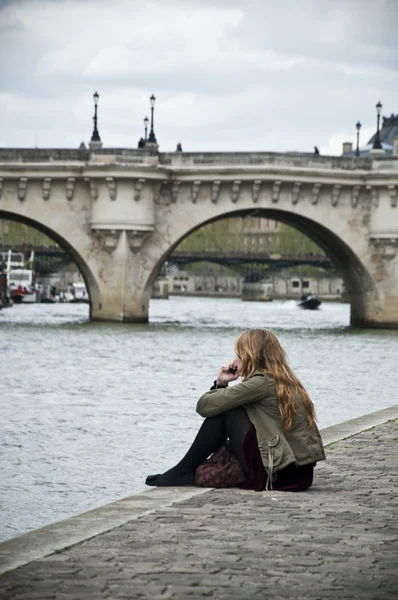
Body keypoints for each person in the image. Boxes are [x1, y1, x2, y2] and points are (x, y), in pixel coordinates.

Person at [145, 328, 325, 491]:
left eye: (239, 355)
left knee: (228, 411)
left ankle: (182, 471)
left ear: (250, 356)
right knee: (229, 407)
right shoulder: (286, 380)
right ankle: (183, 471)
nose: (235, 360)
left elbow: (205, 406)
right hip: (299, 474)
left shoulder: (260, 382)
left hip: (278, 477)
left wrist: (220, 383)